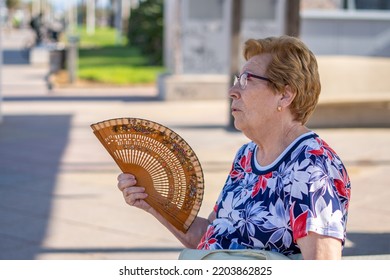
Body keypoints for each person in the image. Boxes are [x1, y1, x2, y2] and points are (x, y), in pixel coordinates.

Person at [117, 36, 351, 260]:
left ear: (285, 95)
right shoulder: (247, 156)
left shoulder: (311, 166)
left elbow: (323, 265)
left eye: (246, 80)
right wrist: (154, 202)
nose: (232, 91)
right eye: (237, 80)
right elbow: (211, 237)